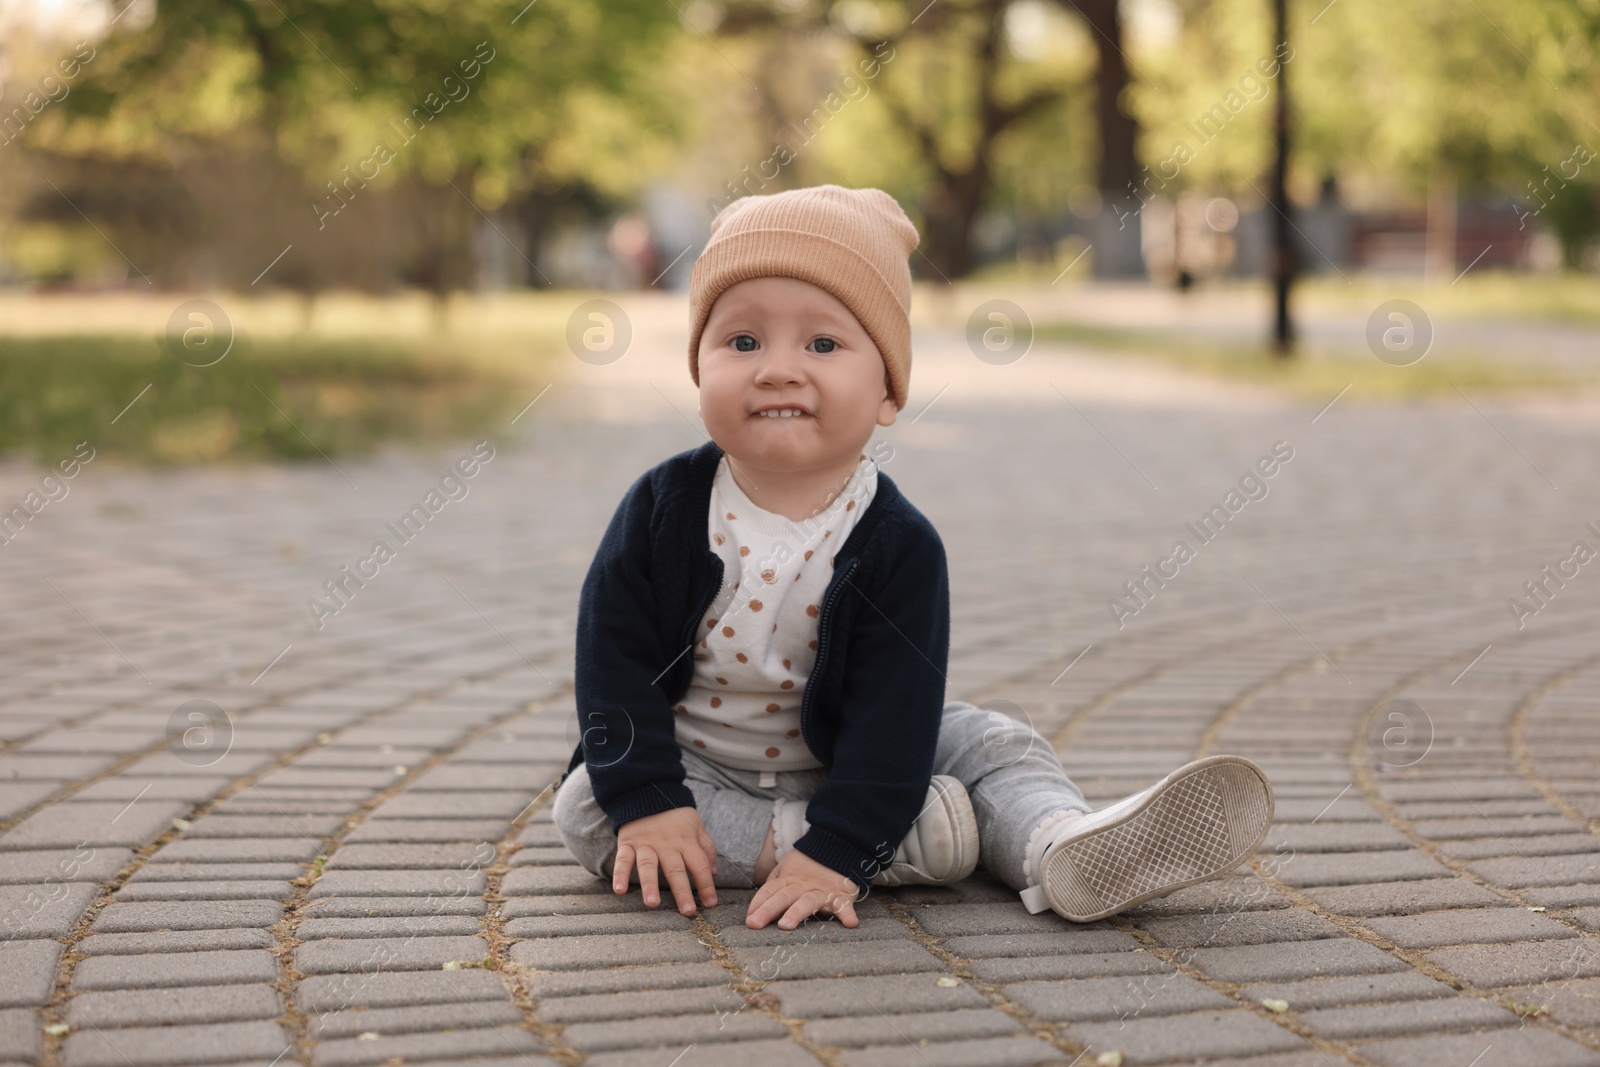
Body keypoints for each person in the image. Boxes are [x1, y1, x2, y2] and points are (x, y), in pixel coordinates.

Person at [551, 184, 1273, 932]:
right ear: (700, 368)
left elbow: (893, 716)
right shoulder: (663, 509)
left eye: (823, 344)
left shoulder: (898, 544)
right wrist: (653, 801)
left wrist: (845, 838)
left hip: (856, 753)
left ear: (888, 391)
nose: (777, 368)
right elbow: (612, 663)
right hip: (698, 760)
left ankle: (1055, 841)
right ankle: (873, 840)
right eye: (742, 341)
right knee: (587, 806)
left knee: (994, 741)